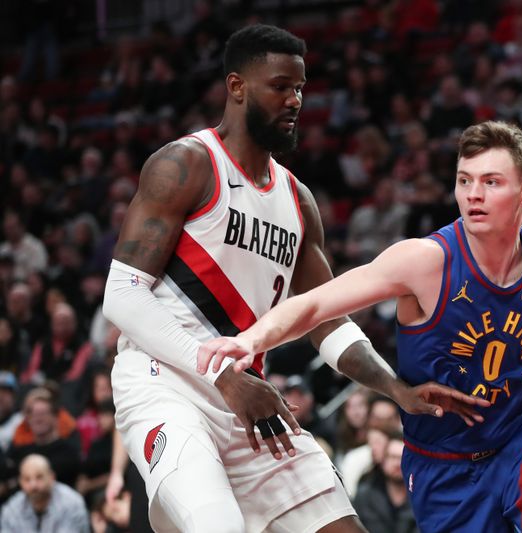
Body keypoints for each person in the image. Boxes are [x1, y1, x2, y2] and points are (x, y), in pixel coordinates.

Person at [198, 120, 522, 532]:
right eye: (464, 181)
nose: (473, 194)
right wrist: (249, 341)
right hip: (443, 466)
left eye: (491, 182)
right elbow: (314, 305)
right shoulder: (424, 262)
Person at [101, 23, 484, 533]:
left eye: (300, 88)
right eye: (280, 86)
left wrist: (396, 388)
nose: (295, 100)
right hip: (165, 382)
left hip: (245, 396)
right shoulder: (187, 164)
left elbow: (328, 322)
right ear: (236, 87)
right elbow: (122, 295)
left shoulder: (298, 201)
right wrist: (224, 376)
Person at [0, 454, 89, 533]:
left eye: (39, 477)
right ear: (20, 482)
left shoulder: (72, 503)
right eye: (27, 479)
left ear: (52, 477)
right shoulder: (11, 509)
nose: (33, 485)